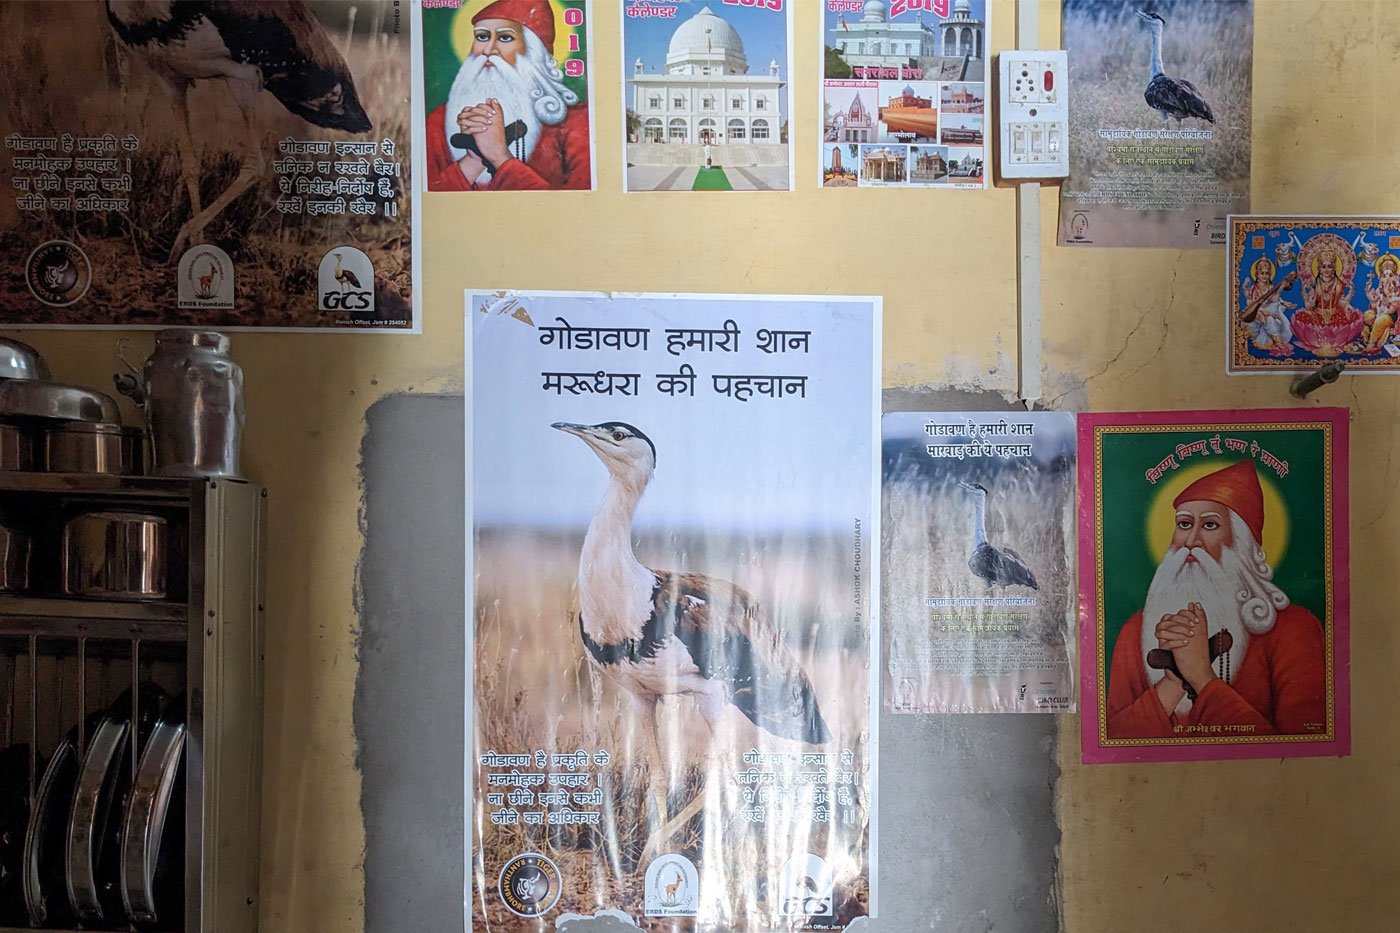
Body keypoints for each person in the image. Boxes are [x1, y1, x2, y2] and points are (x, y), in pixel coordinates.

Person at [1106, 460, 1326, 739]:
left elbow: (1305, 752)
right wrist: (1174, 681)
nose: (1191, 541)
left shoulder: (1293, 629)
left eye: (1210, 524)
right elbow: (1114, 739)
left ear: (1241, 543)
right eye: (1184, 524)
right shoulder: (1136, 629)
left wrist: (1200, 675)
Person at [425, 0, 591, 191]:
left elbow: (578, 209)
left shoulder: (576, 124)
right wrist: (473, 160)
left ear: (534, 52)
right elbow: (427, 204)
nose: (488, 50)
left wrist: (499, 157)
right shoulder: (438, 121)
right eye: (482, 37)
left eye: (505, 38)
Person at [1241, 257, 1294, 355]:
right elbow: (1249, 301)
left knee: (1269, 319)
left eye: (1267, 273)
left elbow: (1274, 299)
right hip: (1256, 312)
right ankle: (1278, 343)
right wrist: (1245, 287)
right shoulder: (1254, 288)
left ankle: (1278, 343)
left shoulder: (1270, 287)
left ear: (1270, 275)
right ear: (1257, 274)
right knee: (1262, 316)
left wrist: (1281, 287)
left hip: (1267, 311)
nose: (1264, 276)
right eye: (1262, 273)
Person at [1362, 254, 1400, 353]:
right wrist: (1368, 291)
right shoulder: (1380, 290)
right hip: (1380, 312)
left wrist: (1388, 295)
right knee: (1367, 315)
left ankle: (1371, 344)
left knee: (1380, 320)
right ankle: (1367, 335)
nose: (1387, 278)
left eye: (1390, 275)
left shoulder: (1397, 290)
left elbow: (1392, 309)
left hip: (1392, 316)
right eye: (1384, 275)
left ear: (1396, 277)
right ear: (1380, 278)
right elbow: (1373, 302)